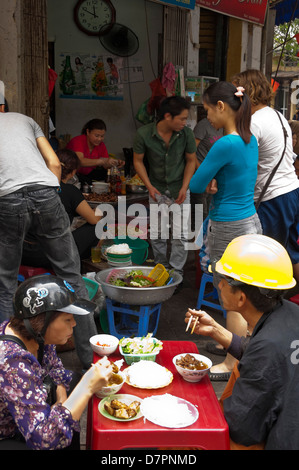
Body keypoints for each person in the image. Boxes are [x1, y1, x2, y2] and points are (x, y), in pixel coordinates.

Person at [0, 88, 97, 370]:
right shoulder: (26, 120)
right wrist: (50, 199)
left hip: (7, 199)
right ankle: (92, 361)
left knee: (5, 285)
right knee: (72, 277)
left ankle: (10, 364)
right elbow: (54, 163)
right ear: (5, 106)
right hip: (46, 192)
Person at [185, 234, 299, 450]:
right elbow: (271, 357)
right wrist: (217, 331)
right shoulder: (291, 315)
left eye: (225, 281)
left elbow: (242, 428)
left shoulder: (268, 348)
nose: (219, 285)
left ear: (241, 298)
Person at [189, 81, 262, 380]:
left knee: (230, 293)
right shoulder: (250, 139)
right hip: (250, 220)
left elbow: (195, 185)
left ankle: (233, 363)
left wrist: (210, 179)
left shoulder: (225, 143)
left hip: (227, 225)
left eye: (207, 110)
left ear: (221, 106)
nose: (207, 117)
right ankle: (241, 348)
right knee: (244, 290)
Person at [0, 275, 113, 450]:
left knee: (73, 383)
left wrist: (61, 400)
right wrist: (87, 387)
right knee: (77, 393)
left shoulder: (39, 336)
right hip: (7, 433)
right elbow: (45, 441)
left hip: (24, 414)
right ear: (41, 321)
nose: (74, 324)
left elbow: (55, 370)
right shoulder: (12, 361)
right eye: (68, 319)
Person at [232, 70, 299, 287]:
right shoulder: (277, 115)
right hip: (291, 192)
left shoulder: (253, 122)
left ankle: (266, 309)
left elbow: (239, 163)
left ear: (247, 91)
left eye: (237, 90)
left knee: (267, 255)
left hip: (272, 199)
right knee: (291, 252)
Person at [133, 96, 197, 278]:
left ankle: (176, 273)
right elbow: (137, 161)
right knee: (158, 233)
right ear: (168, 116)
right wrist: (149, 186)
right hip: (157, 189)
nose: (185, 122)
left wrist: (185, 187)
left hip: (180, 189)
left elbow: (191, 160)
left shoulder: (186, 134)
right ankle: (161, 268)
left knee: (181, 235)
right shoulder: (144, 134)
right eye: (183, 118)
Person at [22, 148, 102, 267]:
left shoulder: (33, 186)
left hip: (23, 252)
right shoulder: (70, 191)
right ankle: (85, 263)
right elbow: (94, 220)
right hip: (49, 255)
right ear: (73, 172)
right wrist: (98, 211)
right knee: (97, 226)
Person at [66, 118, 120, 186]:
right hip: (71, 176)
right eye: (96, 136)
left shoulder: (101, 145)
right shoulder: (78, 141)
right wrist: (102, 161)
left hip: (88, 174)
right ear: (88, 132)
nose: (99, 139)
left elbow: (105, 165)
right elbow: (79, 161)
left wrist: (114, 163)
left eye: (102, 136)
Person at [191, 109, 223, 222]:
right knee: (200, 212)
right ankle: (197, 237)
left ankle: (205, 237)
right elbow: (191, 152)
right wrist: (201, 172)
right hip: (200, 174)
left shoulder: (224, 126)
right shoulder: (203, 125)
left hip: (215, 175)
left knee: (211, 210)